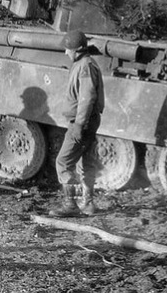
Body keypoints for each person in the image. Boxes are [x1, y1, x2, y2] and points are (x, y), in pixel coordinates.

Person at [49, 30, 104, 217]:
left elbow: (87, 98)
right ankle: (88, 204)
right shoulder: (84, 64)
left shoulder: (85, 67)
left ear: (78, 50)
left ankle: (70, 205)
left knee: (63, 162)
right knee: (86, 162)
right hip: (88, 121)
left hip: (82, 122)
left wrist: (79, 125)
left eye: (68, 49)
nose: (66, 52)